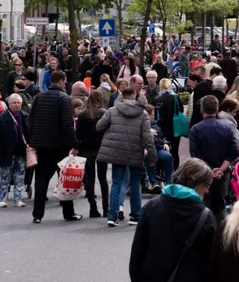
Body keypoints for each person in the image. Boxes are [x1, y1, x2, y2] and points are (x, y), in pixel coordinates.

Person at [96, 88, 157, 227]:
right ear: (134, 96)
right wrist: (152, 156)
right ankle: (135, 216)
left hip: (117, 151)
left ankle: (112, 216)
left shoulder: (112, 111)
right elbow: (147, 138)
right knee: (135, 184)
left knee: (116, 183)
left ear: (122, 97)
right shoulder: (143, 114)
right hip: (135, 151)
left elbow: (99, 127)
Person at [28, 70, 81, 223]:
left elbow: (31, 120)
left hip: (41, 144)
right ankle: (68, 213)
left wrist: (33, 140)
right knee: (64, 179)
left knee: (41, 179)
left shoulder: (39, 97)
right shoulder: (63, 98)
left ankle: (37, 215)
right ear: (61, 81)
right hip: (59, 145)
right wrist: (74, 144)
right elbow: (67, 124)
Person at [189, 95, 239, 221]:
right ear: (217, 110)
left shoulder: (196, 129)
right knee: (220, 204)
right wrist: (221, 169)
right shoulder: (227, 128)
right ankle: (222, 230)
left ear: (201, 110)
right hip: (222, 173)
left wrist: (209, 170)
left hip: (203, 173)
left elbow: (195, 154)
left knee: (203, 203)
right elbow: (233, 151)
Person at [0, 94, 31, 209]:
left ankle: (18, 199)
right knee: (4, 177)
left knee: (20, 176)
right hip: (6, 152)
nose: (17, 105)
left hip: (21, 151)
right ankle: (2, 199)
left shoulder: (25, 116)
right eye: (14, 103)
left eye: (18, 102)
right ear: (9, 104)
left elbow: (29, 133)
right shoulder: (2, 118)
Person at [77, 90, 108, 218]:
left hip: (86, 149)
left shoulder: (83, 114)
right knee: (103, 179)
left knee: (90, 179)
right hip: (101, 148)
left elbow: (79, 133)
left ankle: (93, 208)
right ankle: (106, 208)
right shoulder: (103, 113)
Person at [154, 78, 185, 170]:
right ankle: (175, 169)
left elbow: (154, 114)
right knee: (175, 150)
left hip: (162, 128)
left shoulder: (157, 99)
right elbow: (181, 110)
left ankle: (162, 169)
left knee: (162, 148)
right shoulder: (176, 98)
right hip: (175, 127)